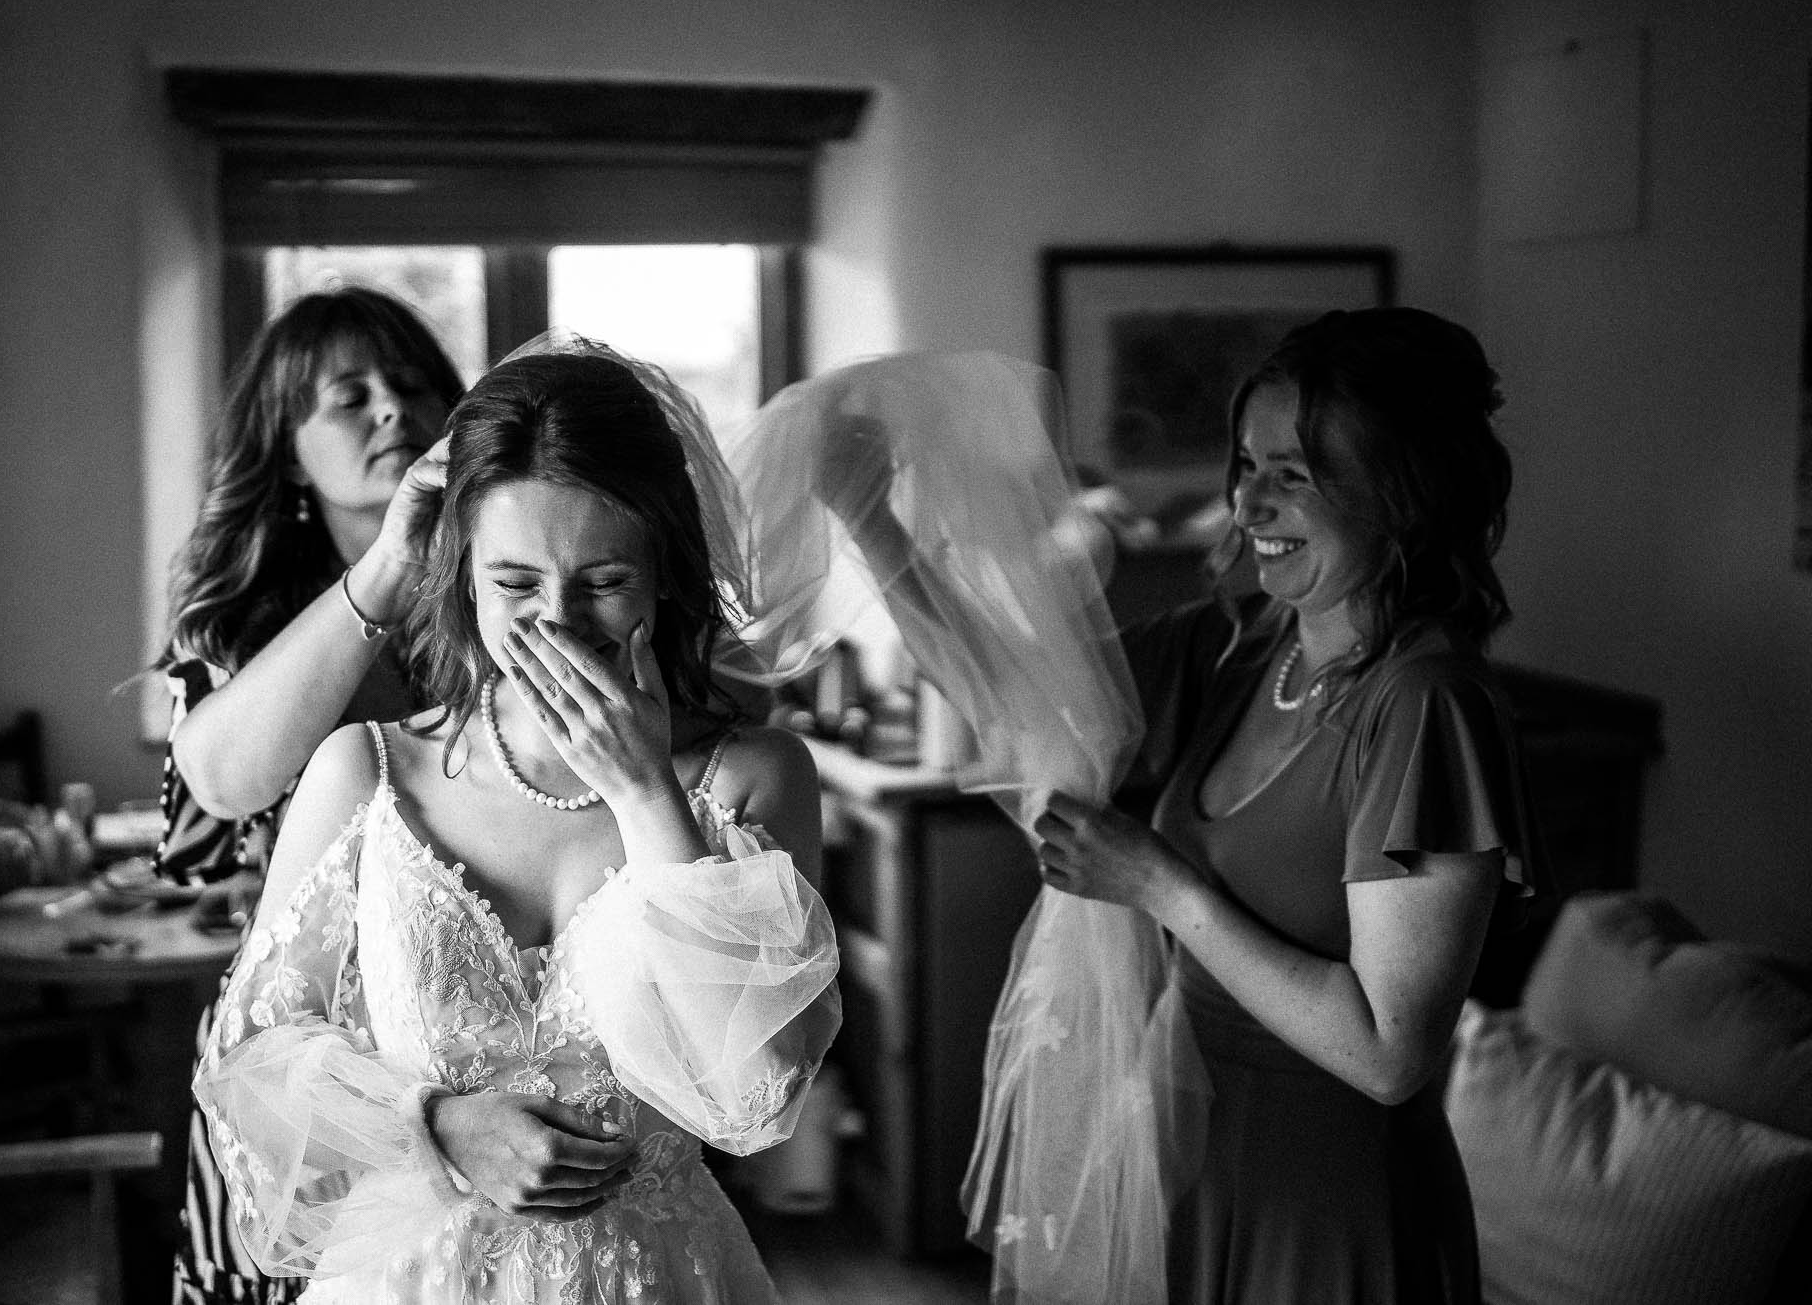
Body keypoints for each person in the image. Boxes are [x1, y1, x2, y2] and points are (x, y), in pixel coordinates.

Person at [191, 341, 843, 1303]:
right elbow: (252, 1064)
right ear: (460, 575)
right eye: (515, 583)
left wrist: (645, 795)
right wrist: (436, 1124)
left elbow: (759, 1096)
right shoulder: (366, 771)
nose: (557, 621)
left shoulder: (757, 775)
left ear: (664, 574)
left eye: (605, 581)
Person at [1001, 306, 1540, 1302]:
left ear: (1402, 491)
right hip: (1190, 1164)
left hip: (1330, 1215)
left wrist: (1159, 884)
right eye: (1245, 464)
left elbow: (1388, 1052)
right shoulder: (1246, 639)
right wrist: (880, 519)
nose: (1249, 503)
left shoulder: (1423, 705)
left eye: (1293, 472)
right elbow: (1026, 682)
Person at [156, 285, 465, 1304]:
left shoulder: (502, 599)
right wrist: (385, 567)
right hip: (297, 1077)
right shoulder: (237, 629)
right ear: (288, 451)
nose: (392, 407)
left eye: (414, 384)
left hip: (474, 1060)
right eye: (350, 395)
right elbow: (218, 785)